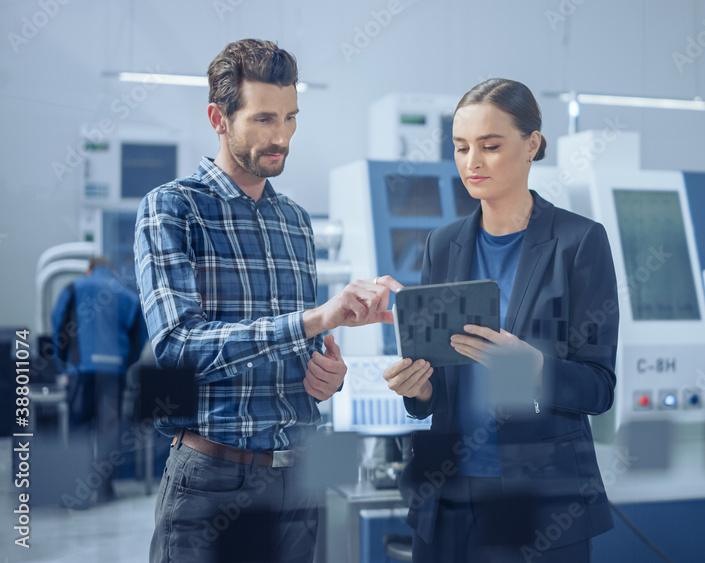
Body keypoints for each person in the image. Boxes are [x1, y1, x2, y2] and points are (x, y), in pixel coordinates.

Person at [135, 39, 401, 563]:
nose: (281, 136)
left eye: (290, 118)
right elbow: (177, 349)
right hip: (212, 480)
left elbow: (302, 348)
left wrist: (330, 373)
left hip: (298, 481)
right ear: (218, 117)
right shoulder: (172, 209)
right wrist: (313, 319)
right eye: (262, 120)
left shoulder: (296, 222)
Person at [383, 78, 620, 562]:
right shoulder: (442, 244)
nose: (472, 162)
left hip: (542, 500)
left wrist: (531, 368)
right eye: (461, 147)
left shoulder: (578, 243)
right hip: (448, 497)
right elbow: (439, 390)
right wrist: (419, 388)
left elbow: (599, 388)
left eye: (490, 146)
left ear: (531, 144)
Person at [51, 255, 148, 504]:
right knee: (109, 431)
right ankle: (105, 491)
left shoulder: (75, 287)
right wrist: (125, 362)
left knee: (79, 428)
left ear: (90, 269)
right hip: (113, 372)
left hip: (80, 370)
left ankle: (76, 492)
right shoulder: (128, 295)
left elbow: (58, 322)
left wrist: (62, 361)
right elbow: (139, 336)